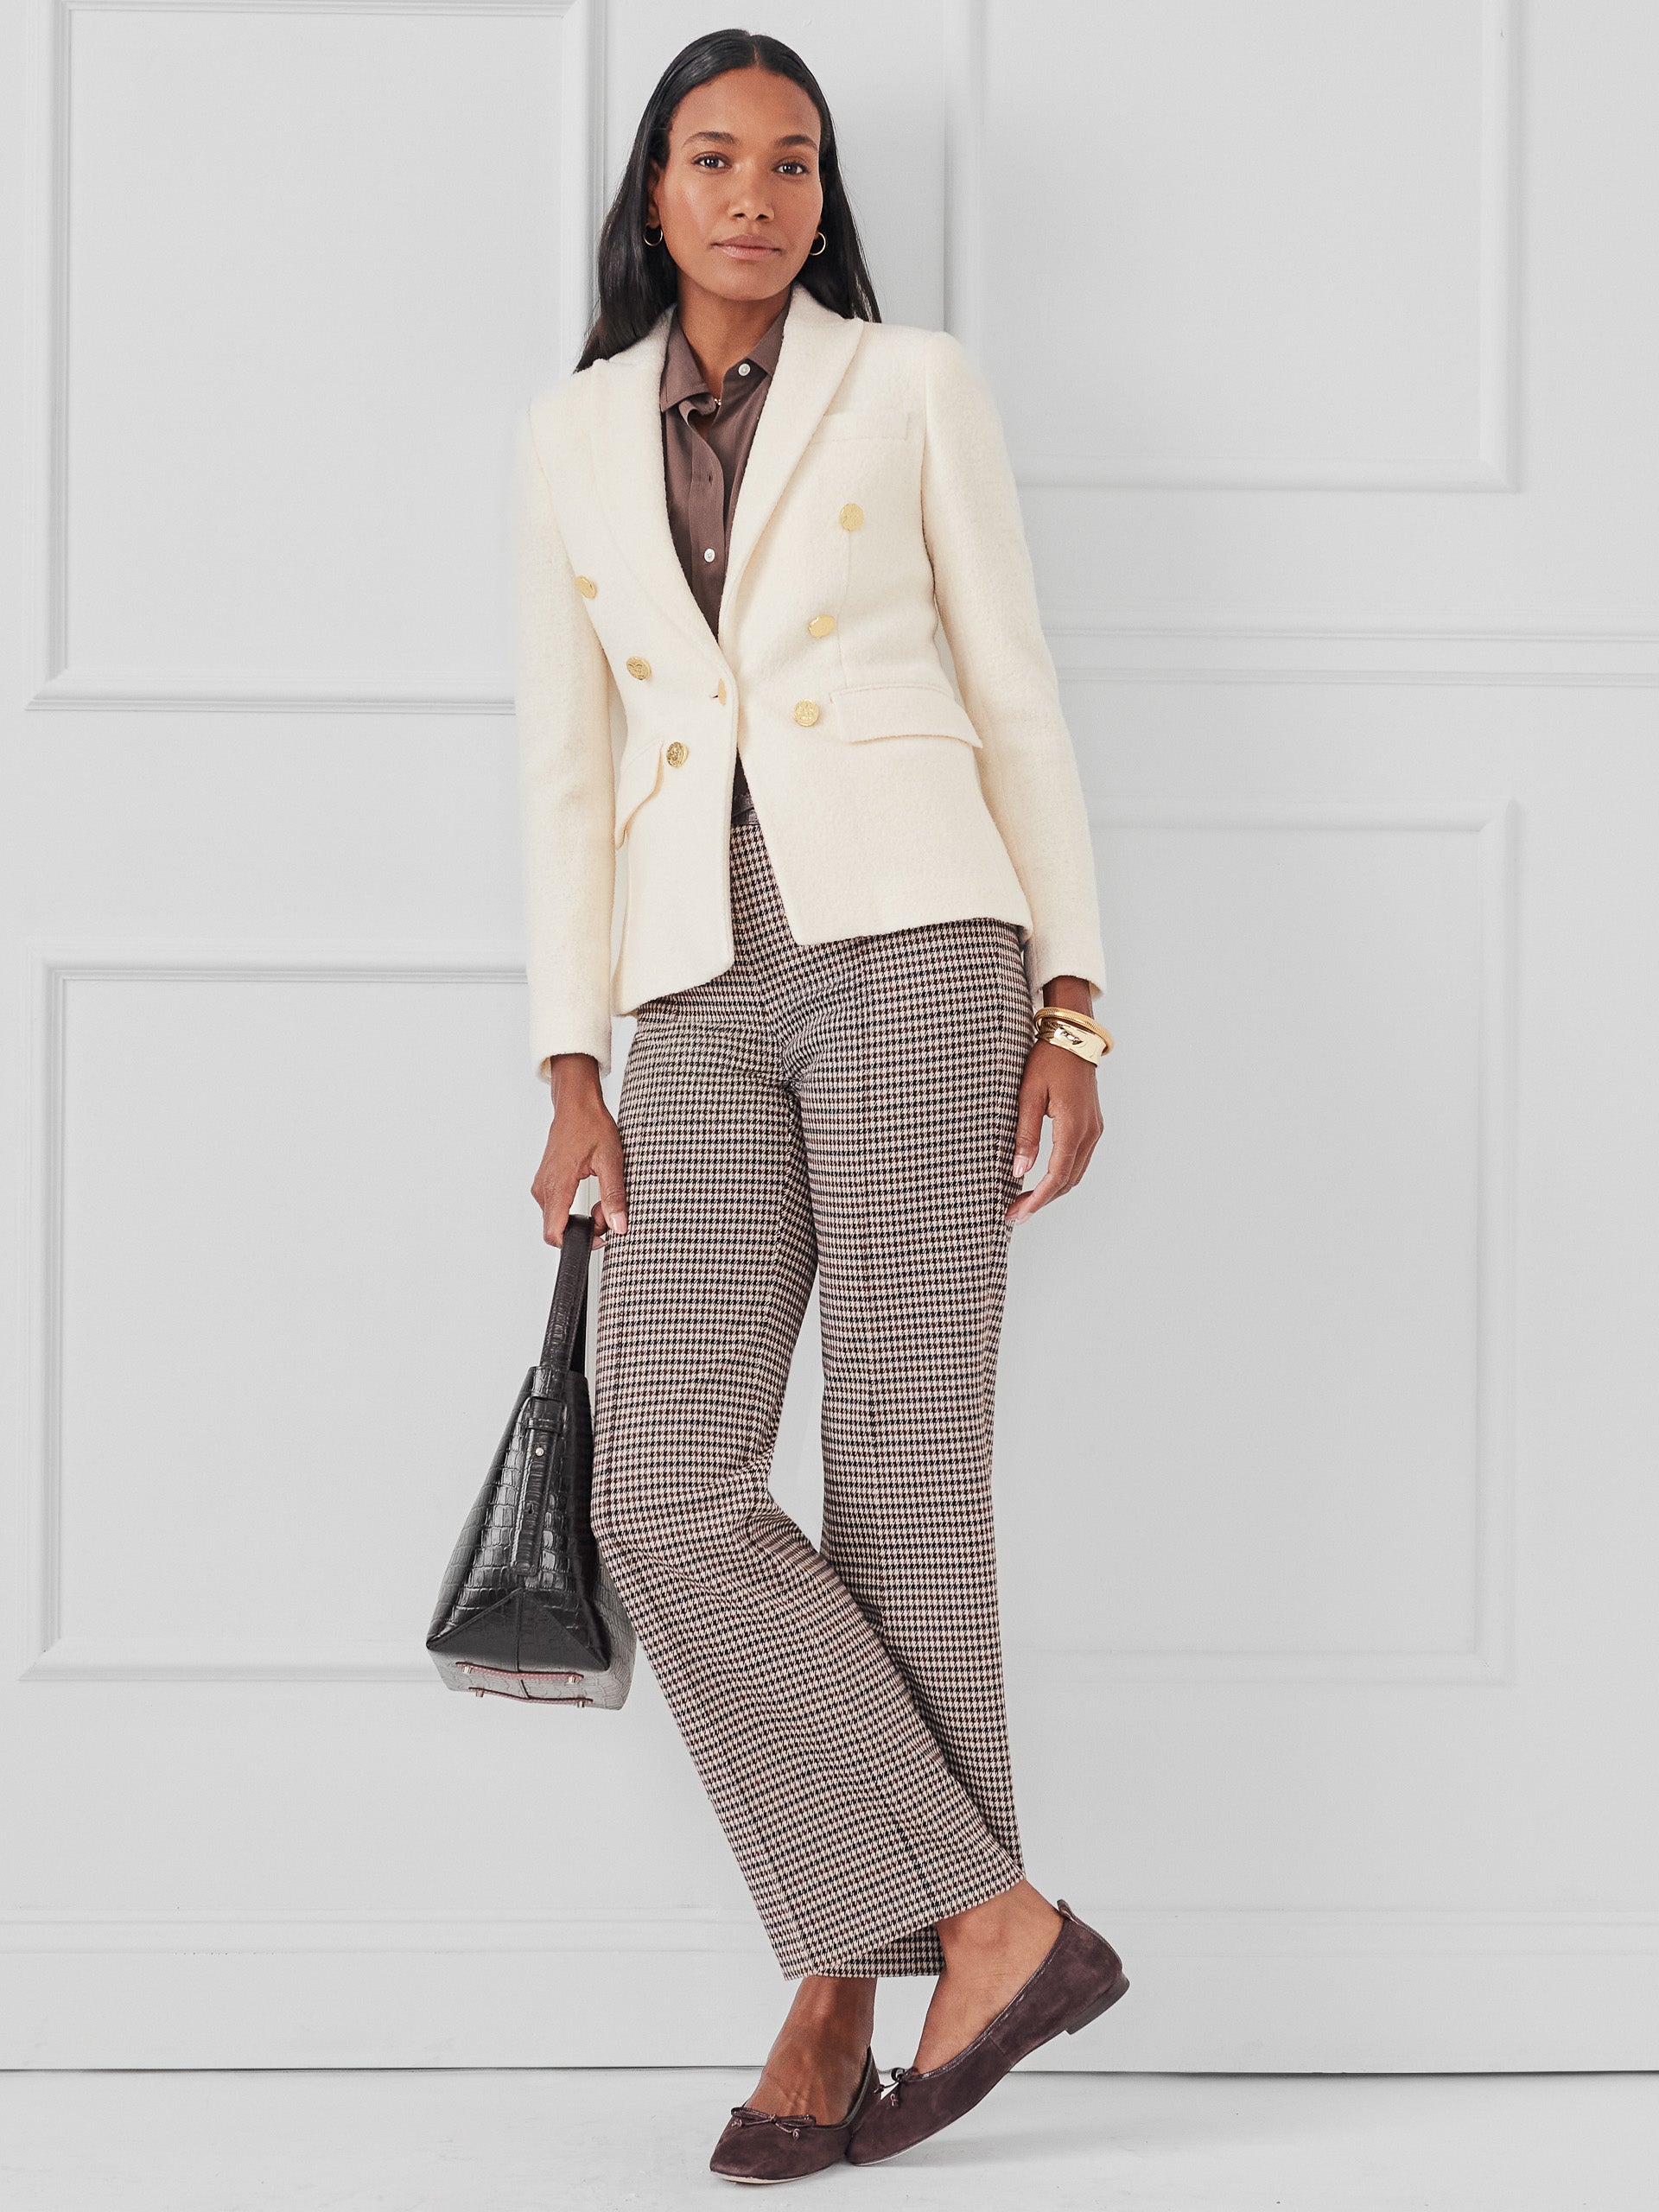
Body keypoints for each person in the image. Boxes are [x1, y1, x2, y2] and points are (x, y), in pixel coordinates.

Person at [512, 27, 1127, 2183]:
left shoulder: (913, 383)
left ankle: (841, 1984)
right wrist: (569, 1058)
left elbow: (1016, 687)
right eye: (713, 159)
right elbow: (567, 761)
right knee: (667, 1486)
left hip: (922, 941)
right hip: (688, 972)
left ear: (823, 195)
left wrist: (1075, 1004)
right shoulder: (574, 432)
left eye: (793, 162)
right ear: (654, 192)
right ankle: (990, 1920)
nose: (755, 197)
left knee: (901, 1471)